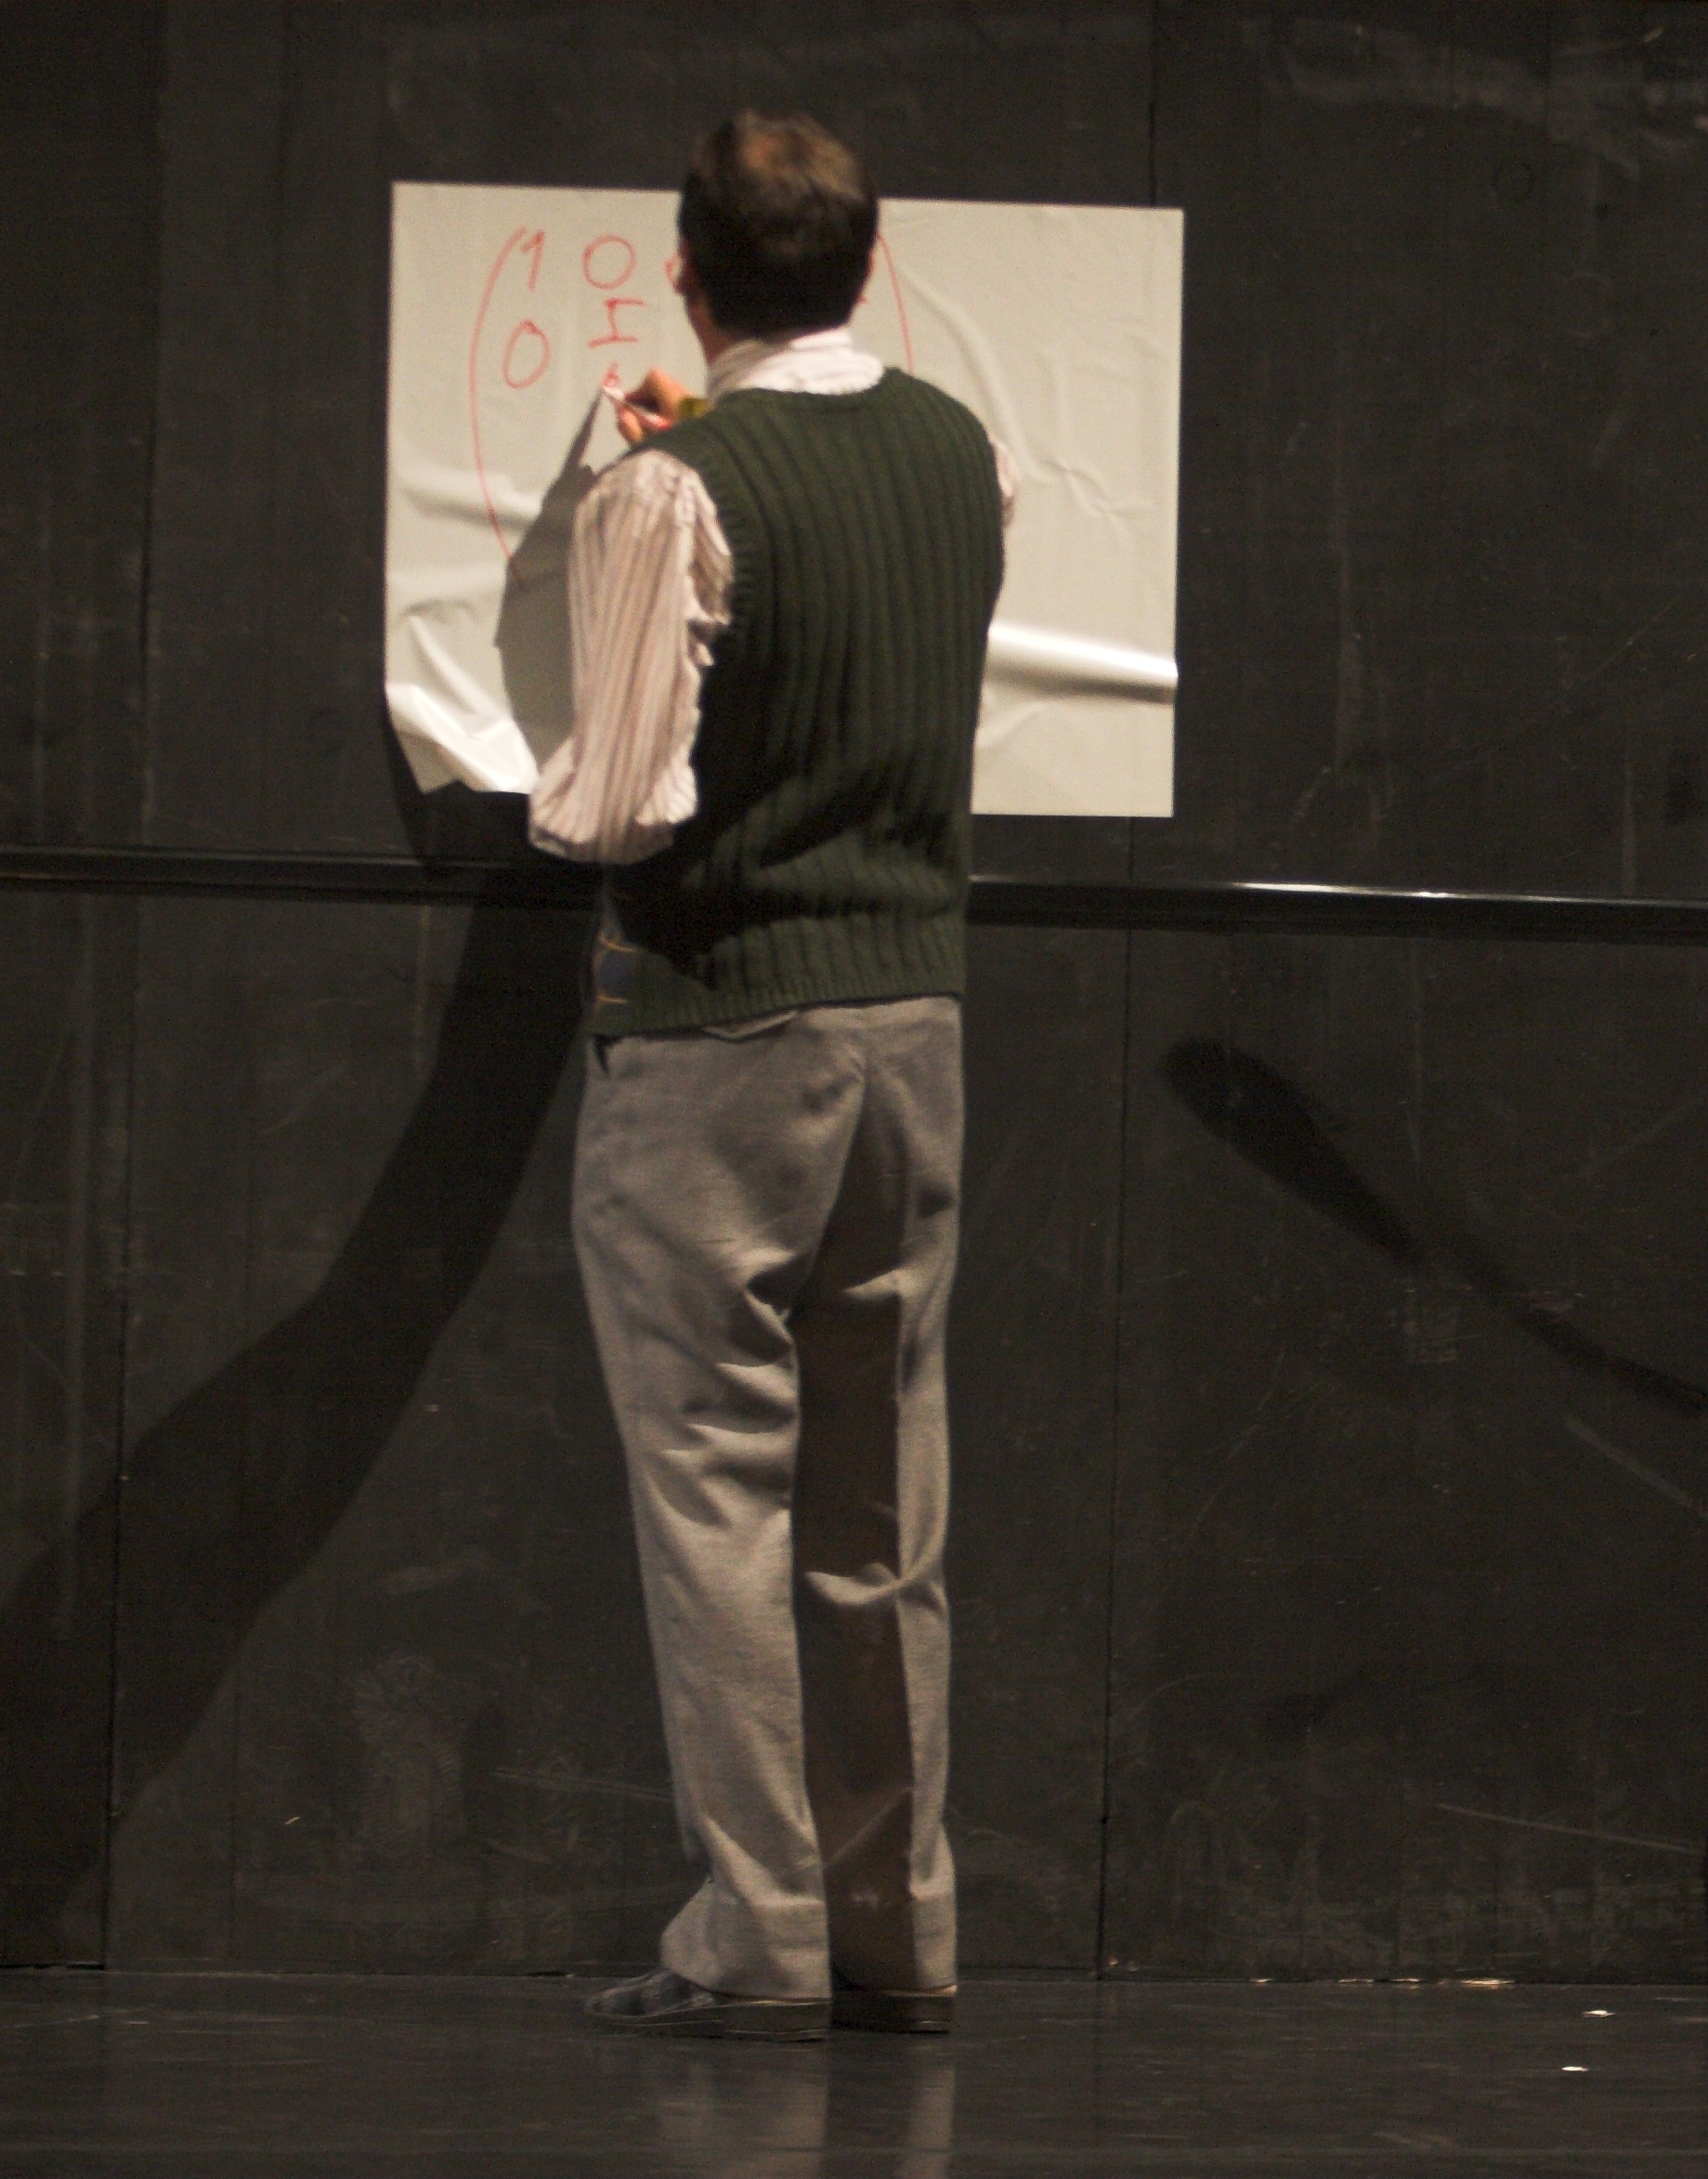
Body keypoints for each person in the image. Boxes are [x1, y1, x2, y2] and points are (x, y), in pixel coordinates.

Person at [530, 112, 1013, 2042]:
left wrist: (635, 523)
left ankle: (761, 1934)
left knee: (717, 1501)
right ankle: (898, 1930)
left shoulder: (673, 492)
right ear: (869, 265)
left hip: (720, 1032)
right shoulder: (957, 450)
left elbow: (612, 810)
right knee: (883, 1509)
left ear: (685, 274)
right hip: (916, 1033)